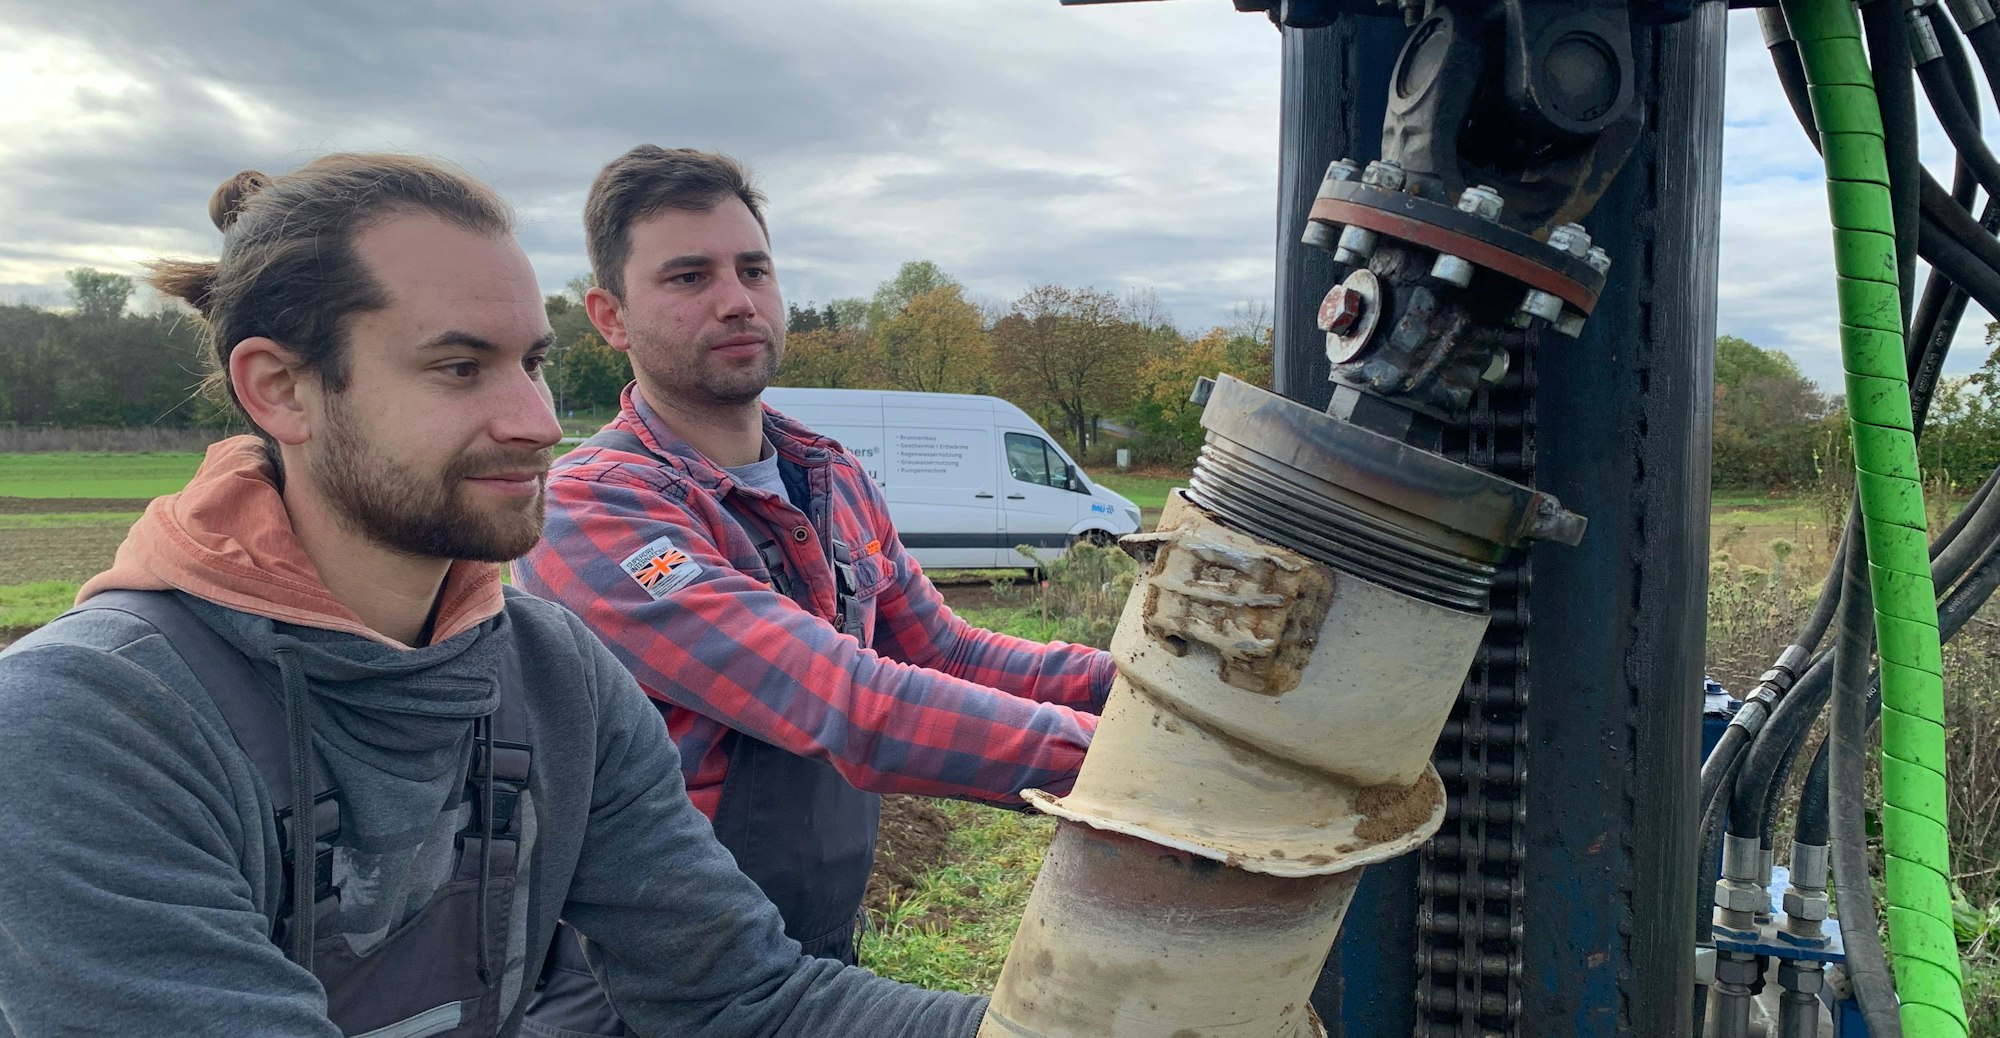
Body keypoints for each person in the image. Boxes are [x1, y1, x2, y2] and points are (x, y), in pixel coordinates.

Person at [0, 154, 984, 1038]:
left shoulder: (555, 681)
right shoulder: (91, 726)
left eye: (534, 363)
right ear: (282, 391)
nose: (538, 421)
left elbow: (741, 999)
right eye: (460, 367)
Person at [512, 146, 1115, 1028]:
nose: (736, 299)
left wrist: (1137, 688)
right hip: (654, 985)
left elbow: (947, 650)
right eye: (688, 276)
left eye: (753, 268)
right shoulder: (597, 510)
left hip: (812, 945)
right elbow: (845, 700)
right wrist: (1131, 766)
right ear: (611, 317)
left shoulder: (826, 474)